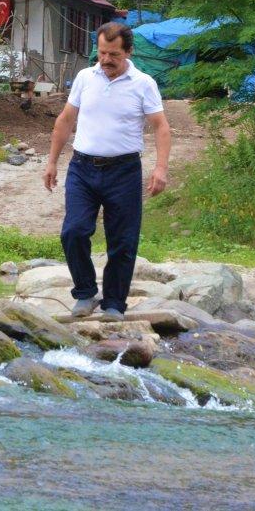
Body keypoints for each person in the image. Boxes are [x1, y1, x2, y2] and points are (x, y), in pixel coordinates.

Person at [43, 22, 171, 322]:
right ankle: (85, 293)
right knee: (73, 231)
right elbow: (64, 121)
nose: (106, 59)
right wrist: (51, 161)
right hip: (82, 168)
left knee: (123, 241)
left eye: (113, 54)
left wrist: (160, 168)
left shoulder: (144, 84)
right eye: (101, 52)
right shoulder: (85, 78)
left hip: (124, 171)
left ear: (128, 52)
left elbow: (160, 127)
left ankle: (114, 303)